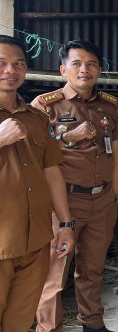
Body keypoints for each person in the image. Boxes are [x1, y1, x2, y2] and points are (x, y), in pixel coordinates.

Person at [33, 40, 118, 332]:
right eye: (76, 63)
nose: (84, 69)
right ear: (63, 70)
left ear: (99, 69)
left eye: (91, 64)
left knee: (93, 269)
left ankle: (93, 324)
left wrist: (114, 194)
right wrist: (66, 136)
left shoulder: (109, 105)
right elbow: (32, 154)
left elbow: (117, 153)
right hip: (63, 204)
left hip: (102, 202)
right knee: (54, 274)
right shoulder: (46, 105)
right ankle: (49, 328)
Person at [0, 35, 75, 331]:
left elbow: (51, 170)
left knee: (18, 322)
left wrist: (67, 225)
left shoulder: (36, 118)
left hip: (35, 242)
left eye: (18, 64)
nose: (11, 70)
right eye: (2, 63)